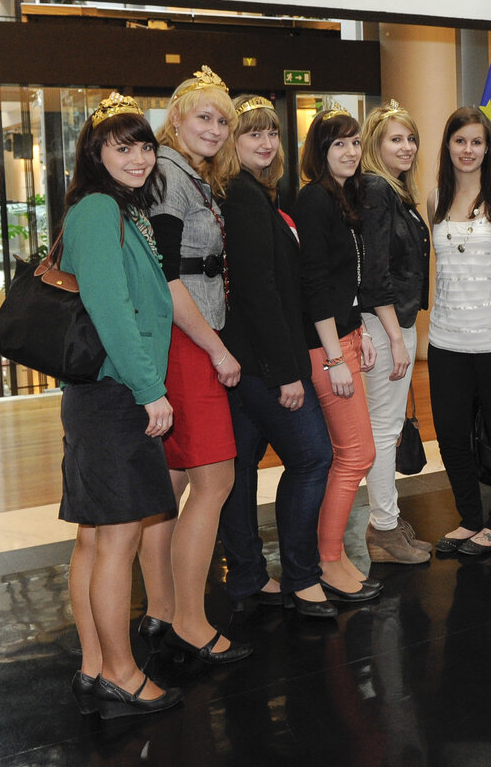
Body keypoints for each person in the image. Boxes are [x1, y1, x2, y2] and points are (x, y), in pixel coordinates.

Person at [216, 95, 366, 620]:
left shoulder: (260, 193)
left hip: (249, 361)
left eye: (272, 133)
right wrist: (287, 373)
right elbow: (260, 293)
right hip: (263, 365)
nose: (265, 142)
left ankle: (250, 577)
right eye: (252, 133)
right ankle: (302, 578)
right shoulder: (241, 195)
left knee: (241, 469)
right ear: (233, 143)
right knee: (313, 458)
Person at [58, 92, 182, 718]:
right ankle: (121, 671)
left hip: (101, 396)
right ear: (95, 153)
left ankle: (92, 665)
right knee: (116, 541)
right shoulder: (100, 209)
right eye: (122, 146)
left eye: (144, 145)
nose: (138, 157)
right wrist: (150, 389)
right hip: (113, 396)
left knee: (93, 540)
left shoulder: (112, 209)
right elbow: (112, 312)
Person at [145, 66, 250, 663]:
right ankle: (188, 619)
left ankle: (161, 611)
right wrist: (215, 347)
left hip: (185, 341)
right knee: (215, 482)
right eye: (203, 116)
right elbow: (168, 279)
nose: (214, 128)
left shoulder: (186, 175)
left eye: (221, 120)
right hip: (188, 343)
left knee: (174, 484)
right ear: (177, 119)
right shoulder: (168, 173)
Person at [425, 106, 491, 556]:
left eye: (476, 142)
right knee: (449, 432)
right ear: (447, 146)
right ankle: (469, 517)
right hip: (446, 339)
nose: (468, 150)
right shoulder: (433, 200)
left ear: (488, 148)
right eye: (460, 140)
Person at [297, 104, 383, 599]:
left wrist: (360, 331)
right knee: (357, 455)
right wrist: (333, 354)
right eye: (338, 144)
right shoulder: (314, 200)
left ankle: (329, 556)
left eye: (354, 142)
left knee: (347, 455)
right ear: (320, 152)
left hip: (345, 336)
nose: (350, 152)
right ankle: (328, 560)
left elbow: (343, 282)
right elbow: (313, 284)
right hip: (324, 347)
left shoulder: (342, 199)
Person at [356, 100, 433, 564]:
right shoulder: (375, 190)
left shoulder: (397, 192)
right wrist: (397, 336)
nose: (406, 147)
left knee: (385, 429)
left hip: (395, 323)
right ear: (374, 146)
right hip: (384, 325)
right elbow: (375, 273)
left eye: (410, 139)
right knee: (384, 432)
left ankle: (387, 520)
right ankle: (383, 529)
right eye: (395, 139)